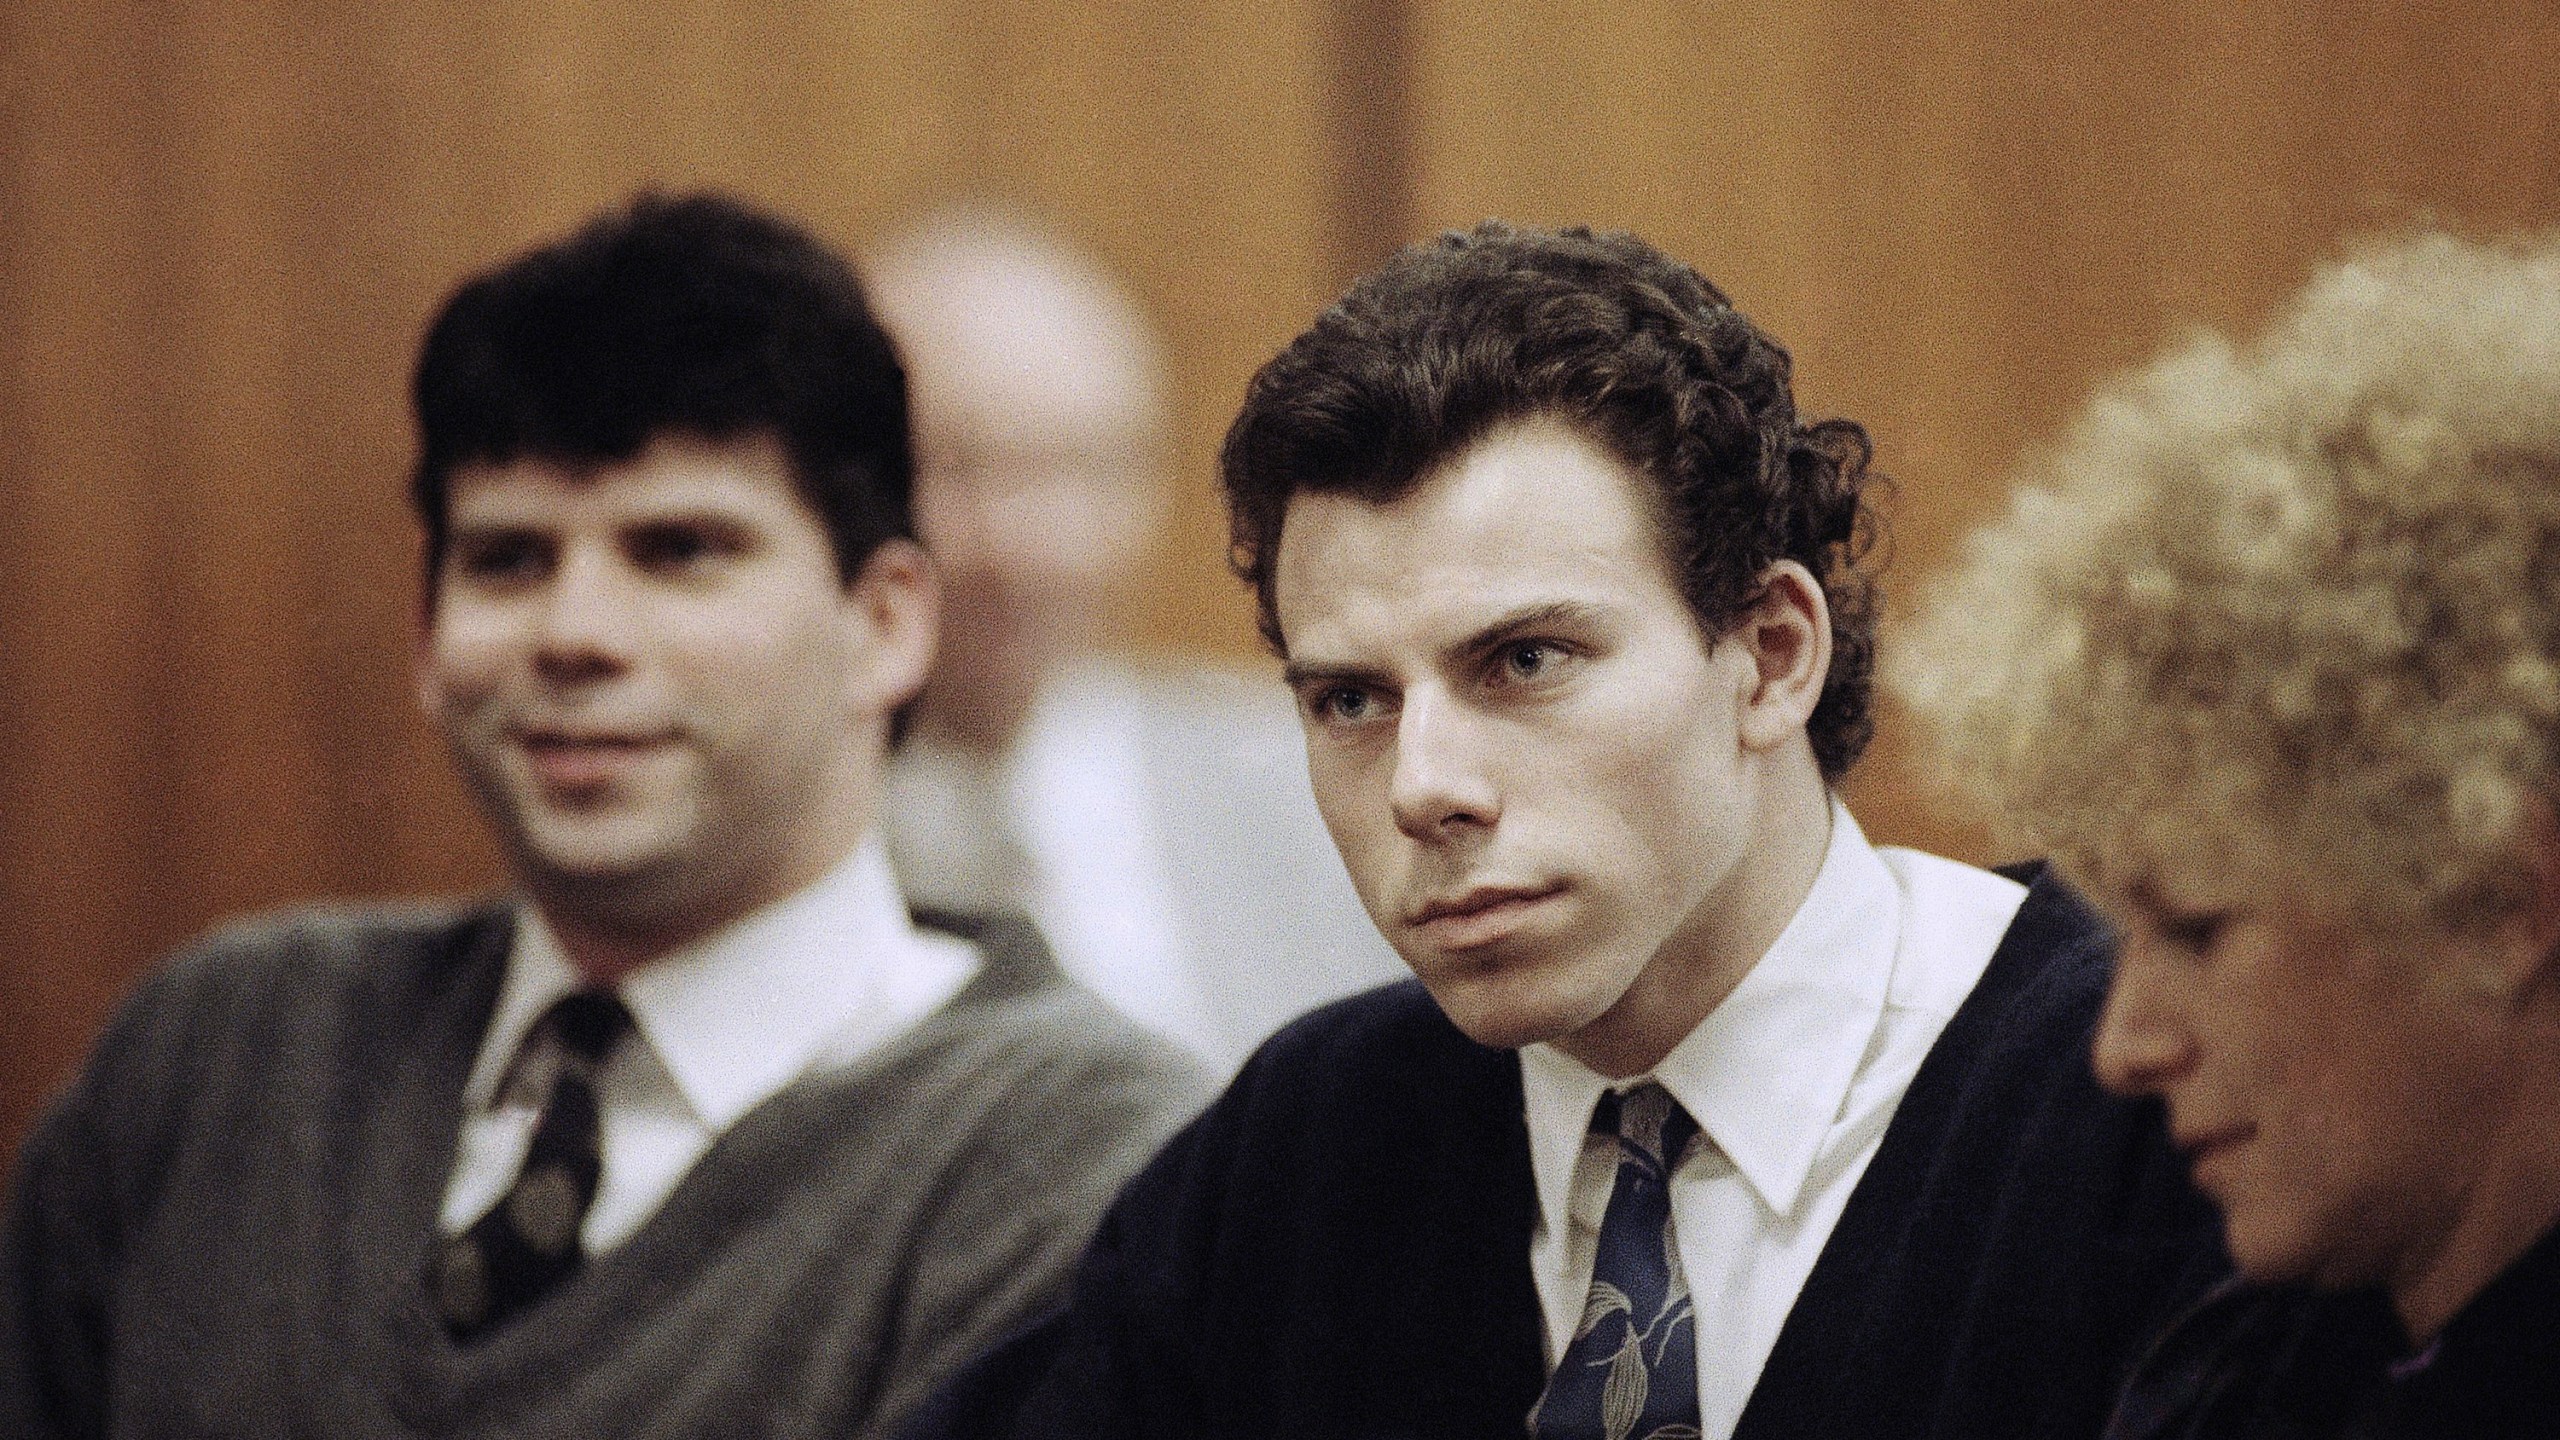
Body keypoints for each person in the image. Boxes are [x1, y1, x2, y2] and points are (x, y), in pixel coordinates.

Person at [905, 221, 2224, 1440]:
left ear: (1769, 656)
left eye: (1525, 662)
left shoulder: (2154, 1086)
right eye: (1352, 699)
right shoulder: (1305, 1157)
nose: (1423, 785)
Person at [0, 192, 1211, 1440]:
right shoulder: (223, 1055)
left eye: (679, 551)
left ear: (884, 624)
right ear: (426, 637)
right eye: (508, 559)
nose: (575, 635)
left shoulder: (1081, 1169)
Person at [1895, 230, 2560, 1438]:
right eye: (2120, 934)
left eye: (2196, 930)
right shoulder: (2238, 1370)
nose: (2122, 1048)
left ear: (2501, 901)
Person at [863, 208, 1400, 1067]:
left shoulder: (1321, 775)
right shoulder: (769, 831)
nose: (1027, 545)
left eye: (1081, 469)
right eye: (959, 468)